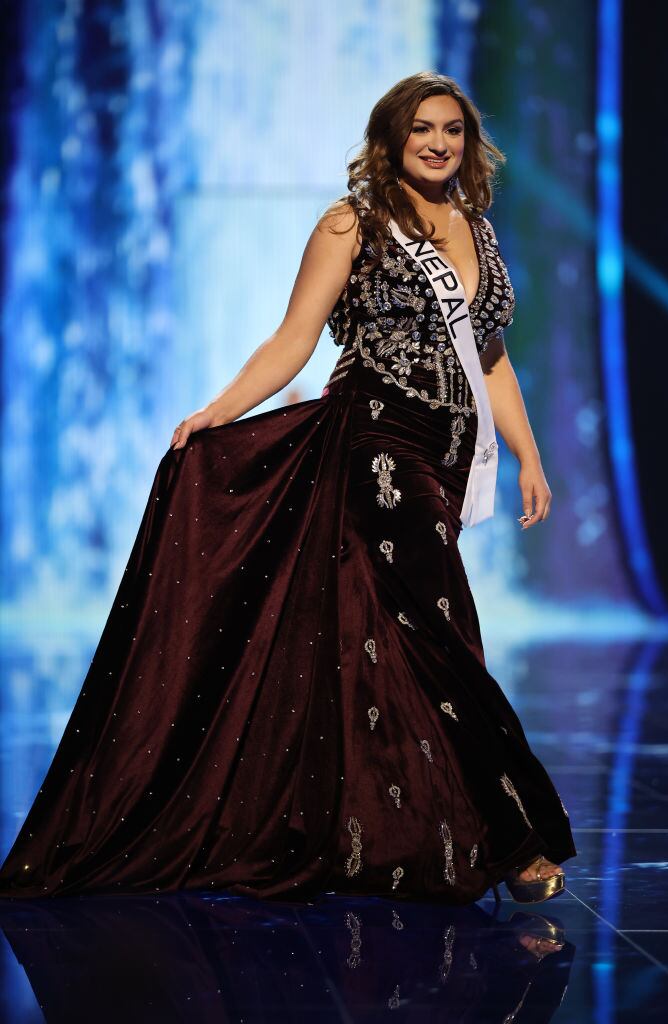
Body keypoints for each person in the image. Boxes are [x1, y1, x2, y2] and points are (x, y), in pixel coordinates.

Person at [0, 71, 576, 905]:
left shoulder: (476, 231)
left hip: (448, 457)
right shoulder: (353, 224)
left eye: (450, 129)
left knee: (407, 637)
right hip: (377, 440)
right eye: (421, 129)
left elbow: (486, 356)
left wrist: (528, 456)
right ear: (389, 139)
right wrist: (215, 412)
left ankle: (412, 833)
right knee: (442, 629)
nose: (438, 143)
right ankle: (517, 837)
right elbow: (294, 340)